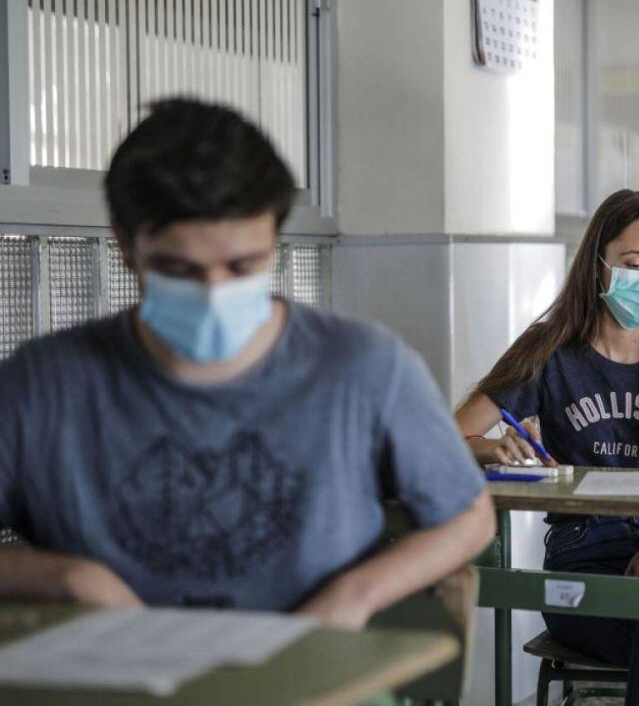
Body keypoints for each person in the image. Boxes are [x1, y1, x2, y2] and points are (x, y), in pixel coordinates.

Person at [0, 99, 494, 627]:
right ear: (124, 244)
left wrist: (354, 596)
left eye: (242, 266)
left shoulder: (364, 368)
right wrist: (66, 579)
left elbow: (467, 515)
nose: (214, 293)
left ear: (274, 240)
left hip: (317, 677)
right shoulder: (44, 383)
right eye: (177, 269)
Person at [456, 189, 639, 706]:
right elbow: (450, 436)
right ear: (598, 265)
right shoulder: (549, 351)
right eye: (636, 263)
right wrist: (490, 449)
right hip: (584, 550)